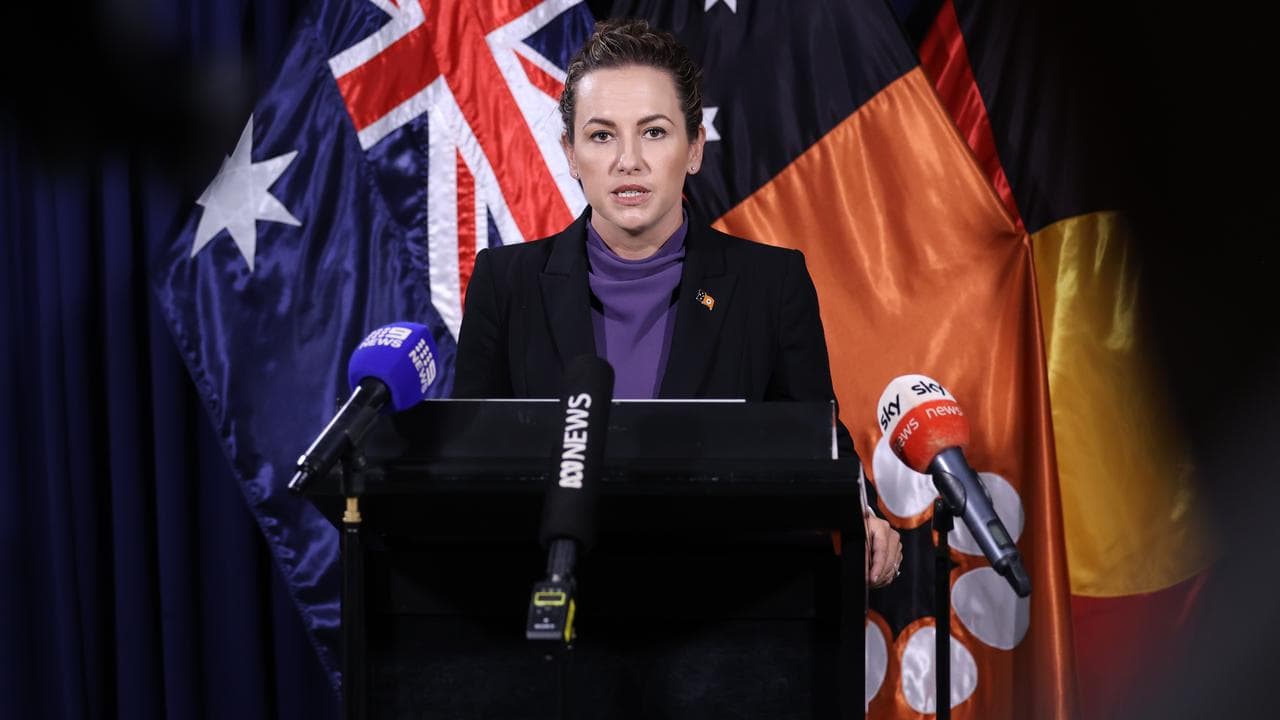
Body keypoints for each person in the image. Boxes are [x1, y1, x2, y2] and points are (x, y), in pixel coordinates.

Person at [454, 17, 902, 590]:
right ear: (570, 153)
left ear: (693, 149)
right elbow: (469, 465)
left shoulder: (770, 284)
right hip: (550, 598)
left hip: (719, 600)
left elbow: (816, 441)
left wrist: (863, 514)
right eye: (601, 135)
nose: (628, 160)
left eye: (654, 132)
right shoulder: (505, 283)